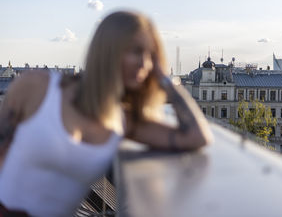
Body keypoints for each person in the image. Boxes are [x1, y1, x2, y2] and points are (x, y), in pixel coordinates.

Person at [0, 11, 213, 216]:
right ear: (109, 51)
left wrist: (166, 80)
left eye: (151, 56)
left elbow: (197, 137)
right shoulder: (37, 87)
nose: (145, 64)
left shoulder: (123, 121)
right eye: (136, 51)